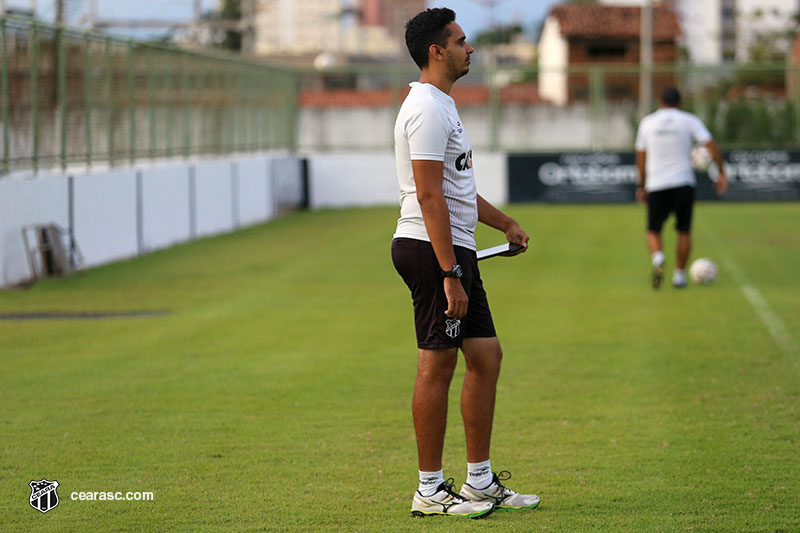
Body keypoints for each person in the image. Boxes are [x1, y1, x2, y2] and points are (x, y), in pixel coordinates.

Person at [390, 7, 540, 519]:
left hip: (455, 250)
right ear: (437, 51)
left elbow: (458, 190)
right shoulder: (427, 108)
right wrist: (451, 272)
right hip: (433, 253)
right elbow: (429, 198)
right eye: (460, 40)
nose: (469, 47)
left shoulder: (442, 105)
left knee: (487, 358)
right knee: (438, 364)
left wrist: (504, 224)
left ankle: (479, 481)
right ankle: (429, 490)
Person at [635, 86, 728, 289]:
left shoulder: (647, 123)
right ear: (680, 102)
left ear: (660, 101)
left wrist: (641, 185)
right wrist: (721, 173)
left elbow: (641, 157)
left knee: (653, 229)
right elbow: (711, 146)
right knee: (684, 230)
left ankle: (658, 259)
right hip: (683, 182)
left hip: (657, 183)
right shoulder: (689, 120)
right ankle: (679, 276)